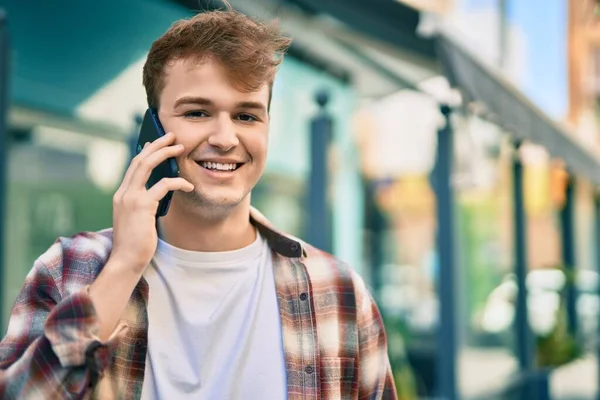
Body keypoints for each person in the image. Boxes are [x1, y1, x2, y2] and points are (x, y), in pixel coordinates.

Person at [0, 5, 396, 400]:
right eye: (197, 112)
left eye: (246, 116)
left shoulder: (340, 292)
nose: (225, 138)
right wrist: (124, 266)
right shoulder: (68, 269)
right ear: (151, 129)